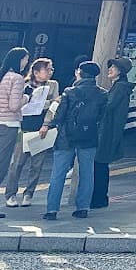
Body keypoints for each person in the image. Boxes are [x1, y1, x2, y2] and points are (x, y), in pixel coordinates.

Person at [43, 61, 104, 221]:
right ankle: (83, 207)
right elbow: (102, 117)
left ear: (80, 73)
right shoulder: (103, 94)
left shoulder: (69, 92)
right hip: (89, 135)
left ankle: (52, 209)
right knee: (87, 172)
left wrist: (48, 125)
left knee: (58, 173)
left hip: (66, 136)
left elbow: (59, 115)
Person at [5, 57, 59, 209]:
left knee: (37, 164)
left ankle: (29, 193)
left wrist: (46, 123)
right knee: (17, 164)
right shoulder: (24, 84)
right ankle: (10, 194)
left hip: (42, 127)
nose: (50, 72)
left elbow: (55, 104)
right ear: (36, 72)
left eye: (51, 69)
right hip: (23, 128)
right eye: (47, 69)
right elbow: (17, 105)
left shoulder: (53, 85)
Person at [0, 46, 30, 220]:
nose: (26, 62)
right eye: (25, 59)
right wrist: (27, 97)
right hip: (8, 126)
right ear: (18, 60)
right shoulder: (17, 78)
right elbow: (14, 106)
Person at [91, 56, 133, 210]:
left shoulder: (120, 87)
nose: (110, 70)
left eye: (113, 68)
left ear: (120, 71)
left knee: (99, 164)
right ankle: (100, 197)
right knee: (101, 165)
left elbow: (109, 107)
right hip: (110, 130)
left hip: (107, 131)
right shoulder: (120, 86)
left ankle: (98, 198)